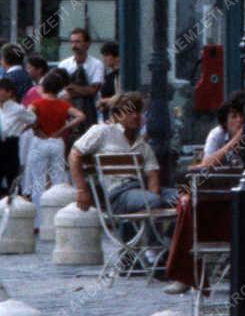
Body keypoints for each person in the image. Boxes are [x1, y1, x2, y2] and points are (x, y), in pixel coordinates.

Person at [68, 92, 178, 247]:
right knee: (153, 201)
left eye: (139, 111)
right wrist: (81, 190)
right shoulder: (102, 131)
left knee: (188, 200)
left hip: (143, 190)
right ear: (117, 114)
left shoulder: (142, 144)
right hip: (119, 194)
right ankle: (153, 248)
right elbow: (74, 154)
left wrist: (153, 198)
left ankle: (167, 242)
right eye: (130, 111)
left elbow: (152, 175)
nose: (136, 116)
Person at [23, 70, 84, 222]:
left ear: (43, 87)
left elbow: (27, 119)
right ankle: (59, 218)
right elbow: (81, 116)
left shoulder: (36, 104)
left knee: (38, 181)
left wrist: (34, 127)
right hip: (57, 141)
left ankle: (38, 221)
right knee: (58, 180)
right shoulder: (63, 104)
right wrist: (63, 129)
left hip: (39, 141)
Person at [59, 28, 104, 128]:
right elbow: (60, 90)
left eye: (78, 42)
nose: (74, 46)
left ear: (87, 44)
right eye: (72, 42)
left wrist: (71, 88)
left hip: (91, 111)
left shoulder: (97, 64)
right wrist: (84, 90)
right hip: (68, 110)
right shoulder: (64, 64)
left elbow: (93, 90)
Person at [98, 42, 120, 113]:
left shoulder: (121, 75)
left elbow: (122, 96)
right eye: (103, 56)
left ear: (117, 57)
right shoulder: (109, 76)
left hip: (119, 115)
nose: (104, 59)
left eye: (107, 55)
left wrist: (103, 101)